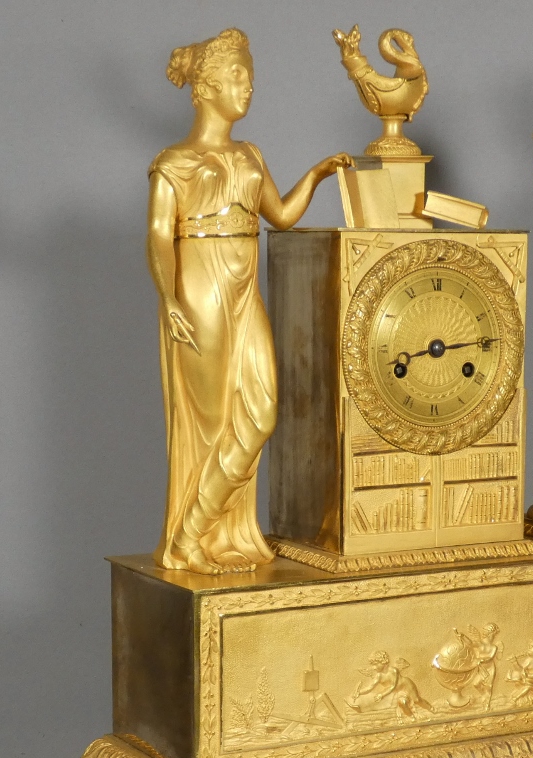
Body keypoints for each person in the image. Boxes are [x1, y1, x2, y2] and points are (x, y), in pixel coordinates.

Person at [147, 29, 351, 573]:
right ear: (206, 86)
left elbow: (280, 216)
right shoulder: (174, 162)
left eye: (250, 75)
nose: (249, 85)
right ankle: (190, 541)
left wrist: (318, 174)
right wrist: (168, 297)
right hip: (201, 287)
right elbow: (158, 236)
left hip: (243, 287)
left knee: (259, 412)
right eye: (238, 75)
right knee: (214, 424)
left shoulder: (250, 155)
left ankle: (192, 533)